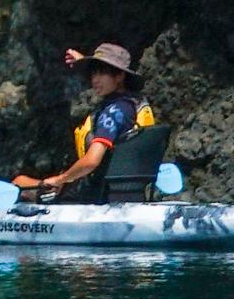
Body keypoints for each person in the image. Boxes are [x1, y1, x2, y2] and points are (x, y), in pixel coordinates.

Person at [11, 41, 167, 204]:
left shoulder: (111, 114)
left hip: (95, 197)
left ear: (120, 76)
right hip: (131, 195)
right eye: (93, 74)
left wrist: (61, 179)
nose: (95, 80)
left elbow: (92, 161)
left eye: (101, 74)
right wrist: (83, 60)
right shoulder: (133, 104)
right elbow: (107, 77)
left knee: (20, 182)